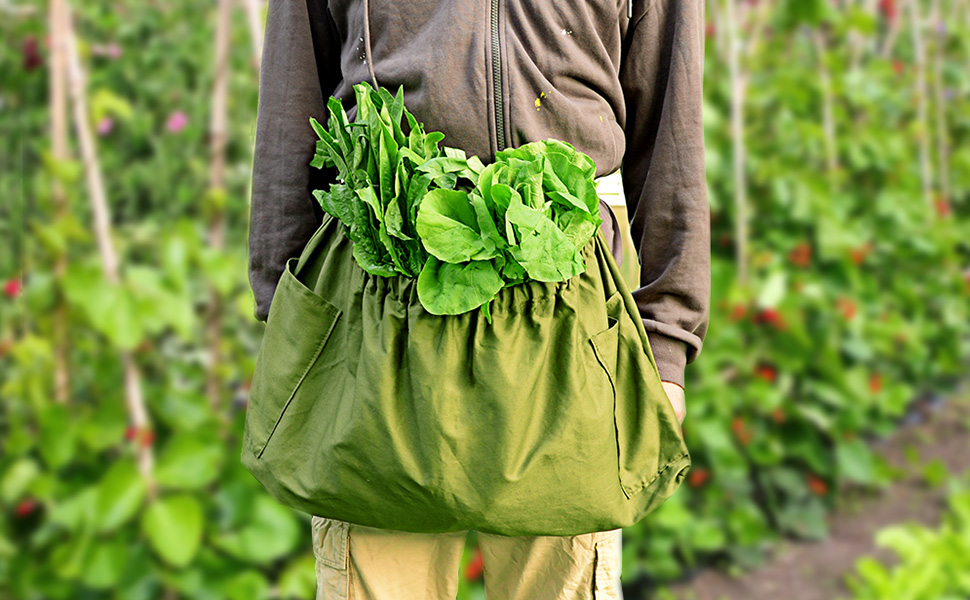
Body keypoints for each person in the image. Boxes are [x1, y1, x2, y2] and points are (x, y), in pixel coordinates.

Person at [247, 0, 709, 597]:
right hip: (379, 312)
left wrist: (669, 337)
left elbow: (672, 131)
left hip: (568, 312)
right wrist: (283, 312)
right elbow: (292, 102)